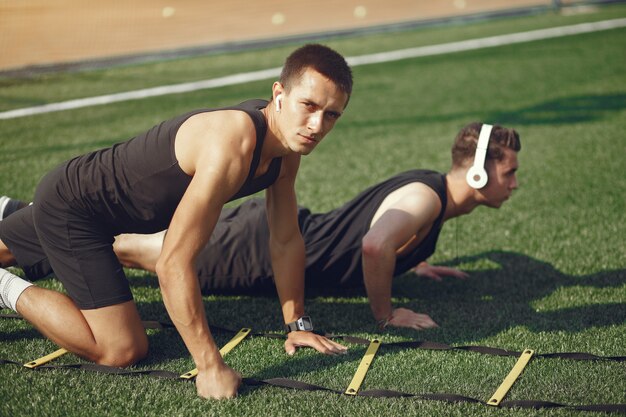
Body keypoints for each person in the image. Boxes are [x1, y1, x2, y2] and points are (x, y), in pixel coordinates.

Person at [0, 43, 353, 400]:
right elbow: (172, 263)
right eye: (308, 105)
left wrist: (297, 324)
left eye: (332, 115)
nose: (316, 125)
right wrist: (209, 365)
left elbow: (285, 239)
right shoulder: (235, 141)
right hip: (76, 209)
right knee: (121, 349)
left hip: (101, 207)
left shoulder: (285, 155)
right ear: (279, 94)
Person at [3, 122, 519, 331]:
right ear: (477, 172)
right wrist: (387, 313)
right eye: (508, 171)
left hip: (260, 240)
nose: (514, 182)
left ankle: (14, 213)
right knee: (120, 247)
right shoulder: (426, 198)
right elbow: (373, 244)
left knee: (116, 244)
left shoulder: (427, 198)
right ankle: (19, 228)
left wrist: (415, 258)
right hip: (250, 251)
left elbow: (388, 234)